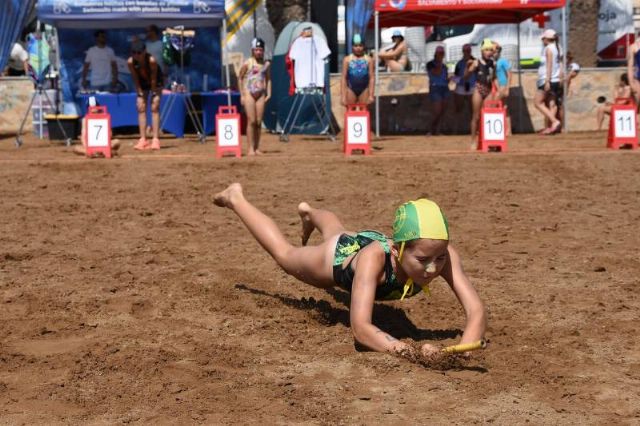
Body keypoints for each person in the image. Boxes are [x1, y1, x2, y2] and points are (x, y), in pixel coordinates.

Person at [213, 183, 486, 358]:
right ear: (397, 250)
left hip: (361, 241)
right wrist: (408, 351)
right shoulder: (375, 258)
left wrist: (460, 352)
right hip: (337, 258)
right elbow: (361, 328)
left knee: (337, 229)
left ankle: (309, 214)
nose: (432, 267)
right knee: (285, 255)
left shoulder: (441, 254)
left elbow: (476, 310)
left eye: (439, 258)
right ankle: (236, 198)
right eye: (424, 259)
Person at [127, 39, 163, 150]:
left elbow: (153, 79)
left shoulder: (151, 60)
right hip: (142, 82)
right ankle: (143, 139)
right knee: (141, 107)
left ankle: (155, 139)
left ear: (144, 52)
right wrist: (140, 93)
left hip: (155, 81)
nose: (136, 55)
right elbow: (135, 78)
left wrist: (153, 93)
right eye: (134, 53)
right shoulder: (130, 62)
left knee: (154, 107)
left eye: (139, 53)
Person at [239, 38, 271, 156]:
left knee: (258, 121)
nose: (259, 52)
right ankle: (250, 148)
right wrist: (242, 94)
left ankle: (257, 147)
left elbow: (268, 79)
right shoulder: (248, 63)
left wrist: (269, 92)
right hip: (249, 93)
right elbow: (240, 77)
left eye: (260, 50)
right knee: (251, 120)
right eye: (256, 49)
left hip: (261, 94)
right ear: (253, 50)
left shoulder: (266, 64)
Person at [465, 39, 496, 147]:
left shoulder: (493, 63)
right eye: (486, 50)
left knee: (488, 116)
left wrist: (498, 89)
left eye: (490, 50)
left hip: (489, 90)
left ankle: (488, 140)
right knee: (476, 116)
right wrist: (468, 68)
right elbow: (466, 77)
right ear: (482, 51)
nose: (488, 52)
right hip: (478, 89)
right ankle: (473, 140)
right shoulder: (476, 62)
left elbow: (494, 77)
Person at [534, 29, 562, 135]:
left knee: (537, 103)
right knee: (551, 103)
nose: (542, 40)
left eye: (543, 38)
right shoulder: (556, 48)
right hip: (554, 80)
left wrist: (547, 81)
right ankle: (550, 127)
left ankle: (554, 122)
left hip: (548, 79)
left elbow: (549, 65)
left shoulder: (549, 49)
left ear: (546, 39)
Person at [341, 34, 374, 106]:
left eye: (360, 45)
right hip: (351, 90)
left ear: (364, 46)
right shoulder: (347, 59)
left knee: (363, 111)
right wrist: (343, 96)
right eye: (356, 46)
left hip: (364, 90)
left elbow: (371, 78)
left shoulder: (368, 59)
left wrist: (371, 95)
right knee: (351, 111)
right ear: (352, 46)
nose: (358, 48)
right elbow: (343, 78)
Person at [426, 46, 450, 135]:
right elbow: (436, 73)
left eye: (442, 53)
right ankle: (431, 129)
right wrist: (439, 62)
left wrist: (449, 79)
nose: (441, 55)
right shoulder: (430, 64)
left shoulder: (444, 66)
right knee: (437, 111)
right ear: (436, 54)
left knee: (442, 111)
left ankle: (438, 130)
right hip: (435, 88)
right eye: (440, 53)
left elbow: (444, 77)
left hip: (444, 88)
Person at [453, 44, 476, 132]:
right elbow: (456, 77)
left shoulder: (475, 62)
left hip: (472, 87)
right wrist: (456, 82)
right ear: (463, 52)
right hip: (461, 87)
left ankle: (474, 130)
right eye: (465, 51)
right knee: (458, 109)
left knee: (473, 110)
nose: (467, 52)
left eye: (468, 51)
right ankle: (455, 129)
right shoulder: (459, 63)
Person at [493, 42, 512, 135]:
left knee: (495, 105)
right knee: (504, 107)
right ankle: (508, 130)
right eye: (493, 51)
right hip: (499, 86)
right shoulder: (493, 62)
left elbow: (509, 74)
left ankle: (499, 129)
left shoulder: (503, 61)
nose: (494, 53)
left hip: (503, 85)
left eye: (496, 51)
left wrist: (507, 88)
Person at [627, 33, 640, 104]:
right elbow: (630, 66)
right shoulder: (634, 47)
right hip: (638, 79)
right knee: (637, 104)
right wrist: (631, 83)